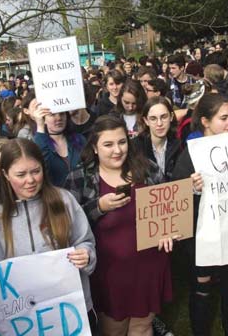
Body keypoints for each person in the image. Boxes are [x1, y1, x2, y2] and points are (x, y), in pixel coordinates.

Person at [65, 116, 177, 336]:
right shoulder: (80, 177)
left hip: (149, 266)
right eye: (108, 144)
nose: (117, 150)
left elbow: (169, 210)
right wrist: (99, 207)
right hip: (110, 273)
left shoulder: (147, 170)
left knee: (143, 328)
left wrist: (167, 231)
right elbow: (67, 227)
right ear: (95, 148)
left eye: (122, 142)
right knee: (114, 330)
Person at [0, 139, 98, 330]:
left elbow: (85, 240)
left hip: (72, 311)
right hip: (26, 319)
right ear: (5, 174)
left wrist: (85, 255)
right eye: (21, 174)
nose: (30, 180)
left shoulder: (64, 200)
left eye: (36, 171)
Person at [172, 93, 228, 336]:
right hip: (200, 234)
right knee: (202, 284)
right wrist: (191, 188)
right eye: (223, 118)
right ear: (205, 121)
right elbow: (176, 199)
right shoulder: (190, 154)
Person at [31, 103, 86, 187]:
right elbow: (42, 165)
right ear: (44, 119)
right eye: (52, 115)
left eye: (62, 113)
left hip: (82, 195)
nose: (59, 118)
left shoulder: (79, 139)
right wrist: (40, 126)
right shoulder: (40, 142)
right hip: (54, 197)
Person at [133, 96, 181, 180]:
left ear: (171, 117)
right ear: (146, 121)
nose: (159, 123)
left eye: (164, 117)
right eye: (153, 119)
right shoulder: (135, 147)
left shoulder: (179, 146)